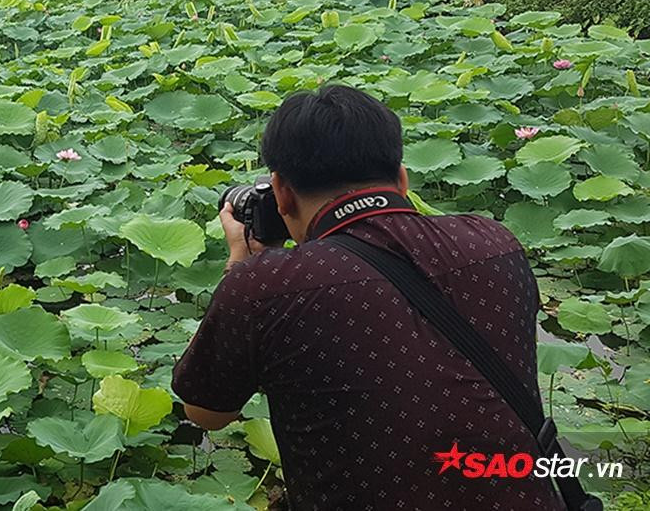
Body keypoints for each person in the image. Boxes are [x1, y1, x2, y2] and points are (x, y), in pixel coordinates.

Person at [172, 85, 568, 510]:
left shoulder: (264, 285)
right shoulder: (495, 244)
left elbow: (207, 412)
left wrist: (243, 264)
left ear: (282, 192)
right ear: (402, 177)